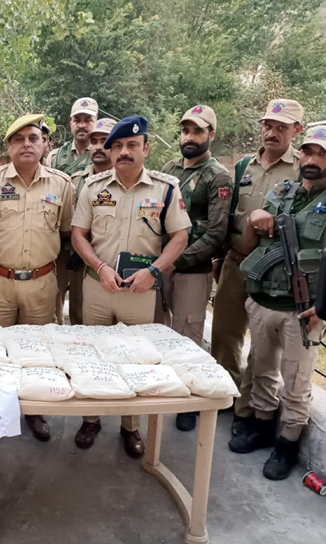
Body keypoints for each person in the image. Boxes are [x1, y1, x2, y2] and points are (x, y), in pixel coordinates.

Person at [230, 125, 326, 480]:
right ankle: (263, 427)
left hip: (305, 310)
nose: (312, 159)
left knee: (296, 381)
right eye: (308, 151)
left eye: (322, 153)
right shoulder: (281, 191)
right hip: (264, 299)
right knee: (262, 370)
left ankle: (287, 443)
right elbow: (250, 241)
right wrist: (255, 217)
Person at [71, 116, 190, 456]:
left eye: (132, 146)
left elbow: (180, 236)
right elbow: (79, 235)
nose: (125, 152)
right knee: (94, 357)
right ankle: (91, 420)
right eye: (118, 146)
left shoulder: (165, 188)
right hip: (98, 286)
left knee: (136, 362)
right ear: (109, 152)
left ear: (146, 148)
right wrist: (99, 266)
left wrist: (154, 270)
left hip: (140, 291)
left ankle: (130, 426)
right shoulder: (94, 187)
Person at [0, 114, 74, 441]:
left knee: (36, 353)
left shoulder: (61, 185)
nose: (27, 144)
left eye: (33, 138)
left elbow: (66, 233)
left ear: (45, 144)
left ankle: (34, 411)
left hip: (41, 285)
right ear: (9, 146)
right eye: (19, 139)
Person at [211, 99, 303, 436]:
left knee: (263, 342)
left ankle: (246, 409)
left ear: (297, 131)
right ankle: (224, 394)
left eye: (282, 127)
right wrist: (220, 259)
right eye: (268, 125)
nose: (272, 132)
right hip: (237, 261)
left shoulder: (301, 168)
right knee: (225, 333)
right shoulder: (244, 166)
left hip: (275, 268)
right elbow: (228, 216)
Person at [160, 106, 233, 431]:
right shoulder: (170, 168)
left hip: (191, 270)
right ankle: (163, 390)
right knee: (159, 332)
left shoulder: (218, 176)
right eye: (186, 131)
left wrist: (176, 263)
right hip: (161, 267)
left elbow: (217, 233)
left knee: (187, 336)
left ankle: (189, 400)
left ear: (211, 135)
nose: (190, 137)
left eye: (198, 131)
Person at [61, 118, 118, 325]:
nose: (98, 147)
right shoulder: (75, 180)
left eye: (105, 141)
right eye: (94, 141)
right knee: (79, 318)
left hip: (113, 261)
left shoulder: (125, 181)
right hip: (80, 260)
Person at [47, 97, 98, 174]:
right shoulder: (54, 157)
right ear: (71, 124)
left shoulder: (105, 156)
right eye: (77, 120)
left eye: (88, 120)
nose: (81, 125)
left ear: (96, 123)